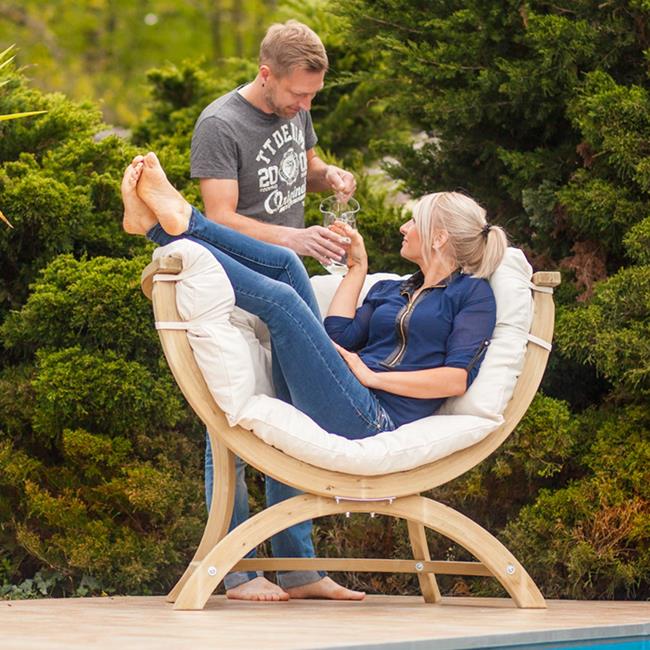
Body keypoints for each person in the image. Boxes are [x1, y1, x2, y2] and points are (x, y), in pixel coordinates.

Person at [122, 154, 508, 596]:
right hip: (344, 390)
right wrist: (357, 271)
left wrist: (373, 377)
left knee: (284, 301)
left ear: (439, 237)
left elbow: (454, 379)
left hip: (373, 416)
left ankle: (170, 226)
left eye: (413, 221)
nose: (403, 227)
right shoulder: (393, 288)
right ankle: (166, 224)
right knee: (288, 265)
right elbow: (337, 335)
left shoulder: (472, 296)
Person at [188, 19, 358, 601]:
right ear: (266, 74)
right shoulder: (220, 124)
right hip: (235, 295)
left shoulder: (296, 110)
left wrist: (329, 174)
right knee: (230, 425)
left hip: (287, 287)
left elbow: (305, 168)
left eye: (312, 96)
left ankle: (298, 571)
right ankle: (234, 571)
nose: (305, 106)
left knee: (295, 416)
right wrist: (295, 240)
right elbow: (218, 218)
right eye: (298, 94)